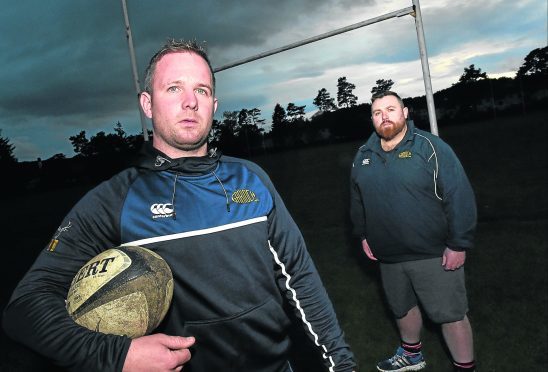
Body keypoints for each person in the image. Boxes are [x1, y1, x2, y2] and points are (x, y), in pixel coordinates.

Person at [3, 39, 357, 372]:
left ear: (214, 105)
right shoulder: (116, 200)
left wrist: (340, 364)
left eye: (201, 90)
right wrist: (118, 356)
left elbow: (301, 279)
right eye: (174, 88)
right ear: (147, 104)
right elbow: (25, 306)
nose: (190, 101)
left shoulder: (251, 179)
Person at [350, 91, 477, 372]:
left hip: (433, 253)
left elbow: (459, 195)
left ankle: (465, 368)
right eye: (377, 112)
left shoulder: (430, 147)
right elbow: (357, 199)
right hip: (389, 256)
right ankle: (411, 355)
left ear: (405, 113)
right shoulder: (363, 155)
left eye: (391, 109)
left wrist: (458, 243)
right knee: (402, 308)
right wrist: (362, 235)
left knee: (451, 314)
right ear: (372, 119)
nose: (385, 116)